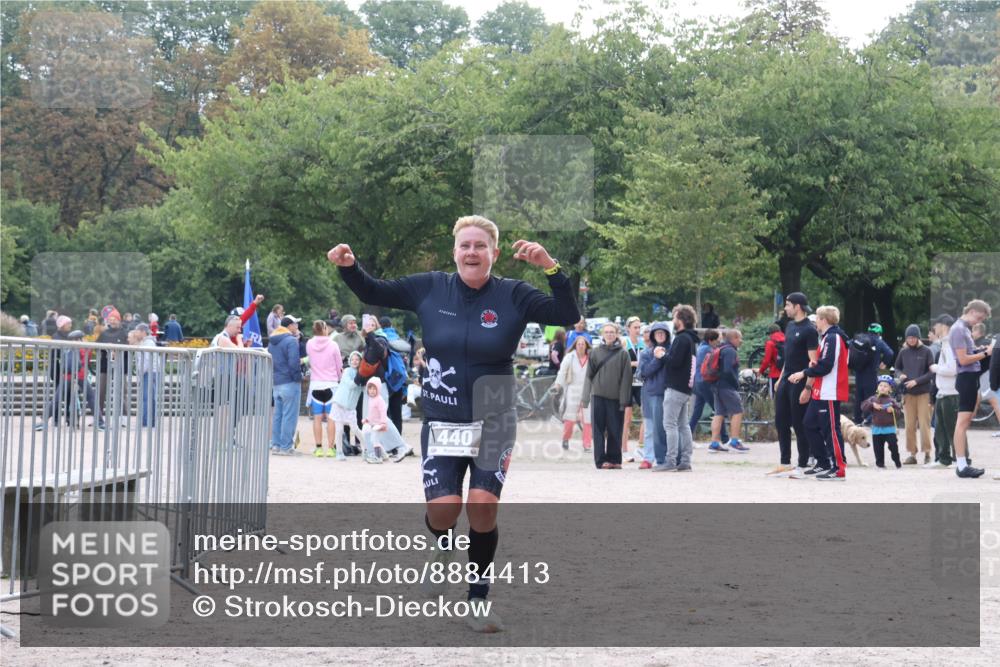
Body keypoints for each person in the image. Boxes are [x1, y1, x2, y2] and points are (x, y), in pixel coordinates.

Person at [329, 214, 579, 633]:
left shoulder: (515, 295)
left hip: (495, 411)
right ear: (455, 252)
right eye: (465, 245)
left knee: (483, 505)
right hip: (444, 414)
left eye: (481, 246)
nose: (472, 252)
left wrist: (550, 268)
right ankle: (443, 548)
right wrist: (348, 265)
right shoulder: (431, 287)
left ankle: (477, 599)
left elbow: (567, 314)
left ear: (494, 254)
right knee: (443, 510)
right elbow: (374, 290)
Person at [788, 305, 849, 481]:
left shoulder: (833, 337)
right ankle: (823, 462)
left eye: (817, 319)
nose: (815, 322)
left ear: (824, 320)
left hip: (830, 391)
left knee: (831, 430)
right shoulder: (826, 337)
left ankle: (839, 468)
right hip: (820, 391)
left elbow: (826, 365)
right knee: (808, 424)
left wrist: (803, 373)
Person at [769, 292, 819, 477]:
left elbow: (813, 362)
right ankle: (784, 462)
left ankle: (803, 463)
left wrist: (808, 387)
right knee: (781, 421)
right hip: (786, 379)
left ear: (797, 306)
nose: (785, 308)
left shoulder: (810, 330)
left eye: (788, 305)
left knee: (799, 423)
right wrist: (781, 379)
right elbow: (788, 357)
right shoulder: (789, 326)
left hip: (801, 381)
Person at [653, 305, 700, 472]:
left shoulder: (681, 339)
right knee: (683, 425)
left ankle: (670, 461)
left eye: (674, 317)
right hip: (686, 388)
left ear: (680, 320)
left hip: (675, 387)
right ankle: (685, 460)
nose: (673, 321)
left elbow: (674, 362)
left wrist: (661, 355)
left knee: (670, 425)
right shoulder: (691, 339)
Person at [580, 322, 633, 470]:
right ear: (603, 334)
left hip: (615, 398)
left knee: (615, 429)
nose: (609, 334)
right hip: (597, 396)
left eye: (612, 332)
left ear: (616, 334)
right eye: (607, 332)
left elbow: (626, 379)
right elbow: (588, 376)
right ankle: (601, 460)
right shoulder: (595, 352)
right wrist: (585, 398)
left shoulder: (623, 354)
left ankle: (615, 459)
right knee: (598, 430)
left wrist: (624, 400)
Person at [950, 300, 992, 479]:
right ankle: (961, 465)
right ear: (973, 311)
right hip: (966, 377)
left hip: (970, 377)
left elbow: (968, 353)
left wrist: (979, 349)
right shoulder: (959, 329)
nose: (979, 322)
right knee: (962, 422)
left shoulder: (964, 328)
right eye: (979, 317)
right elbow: (963, 360)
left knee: (965, 421)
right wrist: (985, 353)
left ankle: (962, 463)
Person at [895, 324, 935, 464]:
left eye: (913, 337)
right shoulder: (903, 352)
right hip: (908, 394)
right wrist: (900, 375)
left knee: (925, 424)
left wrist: (916, 382)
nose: (911, 340)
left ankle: (927, 453)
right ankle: (912, 453)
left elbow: (931, 372)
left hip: (924, 393)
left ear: (918, 337)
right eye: (908, 337)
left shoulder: (927, 351)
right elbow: (897, 368)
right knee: (909, 425)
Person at [708, 329, 750, 453]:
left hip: (716, 385)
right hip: (727, 386)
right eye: (740, 338)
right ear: (735, 338)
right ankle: (734, 441)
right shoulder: (730, 351)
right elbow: (727, 370)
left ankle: (714, 443)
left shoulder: (720, 348)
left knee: (719, 413)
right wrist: (735, 383)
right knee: (738, 411)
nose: (741, 341)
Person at [306, 320, 343, 457]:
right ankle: (331, 448)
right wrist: (338, 378)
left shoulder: (309, 344)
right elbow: (338, 365)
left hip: (316, 384)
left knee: (317, 418)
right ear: (325, 329)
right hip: (331, 384)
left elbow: (310, 360)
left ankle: (319, 447)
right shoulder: (333, 344)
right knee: (331, 418)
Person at [268, 315, 303, 455]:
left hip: (276, 382)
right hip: (289, 381)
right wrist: (298, 378)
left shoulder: (272, 341)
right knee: (290, 415)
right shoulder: (291, 341)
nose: (297, 327)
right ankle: (286, 446)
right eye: (295, 324)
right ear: (289, 326)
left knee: (278, 415)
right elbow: (294, 362)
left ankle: (276, 445)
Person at [638, 322, 671, 469]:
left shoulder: (672, 351)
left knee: (667, 427)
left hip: (669, 392)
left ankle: (666, 457)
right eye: (657, 333)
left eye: (663, 333)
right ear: (652, 335)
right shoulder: (646, 353)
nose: (660, 335)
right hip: (651, 393)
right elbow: (643, 373)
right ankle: (648, 457)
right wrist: (658, 359)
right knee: (650, 428)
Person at [552, 334, 593, 452]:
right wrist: (557, 385)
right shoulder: (570, 357)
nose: (580, 346)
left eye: (583, 344)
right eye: (579, 344)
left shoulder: (591, 358)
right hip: (572, 389)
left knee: (587, 418)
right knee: (570, 418)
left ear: (586, 346)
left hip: (587, 390)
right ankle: (565, 439)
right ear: (575, 345)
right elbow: (562, 372)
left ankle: (587, 444)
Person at [929, 315, 959, 468]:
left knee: (953, 428)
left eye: (936, 325)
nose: (935, 328)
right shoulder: (945, 343)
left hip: (951, 393)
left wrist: (936, 368)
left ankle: (962, 460)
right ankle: (944, 459)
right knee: (940, 428)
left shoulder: (950, 343)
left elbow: (953, 369)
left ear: (943, 325)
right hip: (943, 392)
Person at [34, 315, 73, 430]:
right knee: (58, 396)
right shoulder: (56, 337)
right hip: (59, 371)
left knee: (69, 395)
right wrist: (55, 372)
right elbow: (54, 357)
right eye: (68, 323)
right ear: (62, 325)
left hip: (68, 371)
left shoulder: (70, 337)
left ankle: (69, 418)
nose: (70, 325)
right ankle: (56, 420)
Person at [853, 323, 896, 425]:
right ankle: (868, 420)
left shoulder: (859, 339)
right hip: (871, 374)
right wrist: (884, 363)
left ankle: (857, 419)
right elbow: (890, 353)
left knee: (858, 396)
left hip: (859, 373)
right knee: (870, 397)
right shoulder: (878, 341)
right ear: (879, 332)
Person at [689, 329, 728, 444]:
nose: (718, 343)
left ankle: (688, 435)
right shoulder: (708, 350)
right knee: (718, 409)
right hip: (706, 383)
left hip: (697, 383)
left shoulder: (700, 347)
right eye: (717, 341)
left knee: (697, 411)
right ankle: (725, 438)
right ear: (711, 340)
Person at [95, 307, 129, 430]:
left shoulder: (124, 333)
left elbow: (129, 348)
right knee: (101, 391)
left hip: (121, 366)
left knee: (121, 391)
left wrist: (117, 350)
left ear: (119, 320)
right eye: (110, 319)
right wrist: (105, 348)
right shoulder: (104, 333)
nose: (112, 321)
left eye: (115, 319)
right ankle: (98, 417)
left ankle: (123, 417)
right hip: (105, 365)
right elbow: (96, 346)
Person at [861, 375, 902, 469]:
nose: (882, 388)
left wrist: (893, 411)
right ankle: (880, 464)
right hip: (876, 429)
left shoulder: (892, 401)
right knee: (878, 449)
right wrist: (872, 405)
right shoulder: (872, 399)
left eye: (885, 386)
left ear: (890, 389)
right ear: (877, 387)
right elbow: (863, 406)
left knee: (893, 447)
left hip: (890, 430)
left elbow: (899, 414)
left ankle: (897, 461)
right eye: (880, 385)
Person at [331, 351, 365, 459]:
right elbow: (351, 385)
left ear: (360, 361)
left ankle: (366, 449)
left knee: (355, 429)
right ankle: (339, 452)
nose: (354, 361)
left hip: (350, 407)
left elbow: (364, 389)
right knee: (339, 429)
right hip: (339, 403)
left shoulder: (362, 374)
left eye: (357, 359)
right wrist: (360, 378)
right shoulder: (346, 372)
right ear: (350, 361)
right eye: (353, 359)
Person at [621, 316, 646, 462]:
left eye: (639, 327)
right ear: (628, 328)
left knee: (646, 416)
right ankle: (623, 449)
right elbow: (621, 362)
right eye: (635, 327)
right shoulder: (624, 342)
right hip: (627, 383)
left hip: (640, 383)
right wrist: (635, 363)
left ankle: (641, 446)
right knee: (627, 418)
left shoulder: (643, 343)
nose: (638, 330)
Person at [134, 324, 160, 428]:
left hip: (148, 373)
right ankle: (150, 421)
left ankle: (146, 421)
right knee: (150, 397)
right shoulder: (149, 342)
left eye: (137, 331)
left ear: (143, 332)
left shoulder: (147, 344)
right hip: (151, 372)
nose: (136, 334)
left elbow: (146, 361)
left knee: (147, 397)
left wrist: (140, 372)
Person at [362, 377, 390, 463]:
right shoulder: (371, 399)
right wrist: (367, 419)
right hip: (373, 424)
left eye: (374, 388)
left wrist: (383, 423)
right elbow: (372, 413)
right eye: (370, 388)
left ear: (378, 389)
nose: (372, 390)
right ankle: (384, 455)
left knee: (375, 440)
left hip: (379, 425)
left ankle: (378, 458)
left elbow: (383, 411)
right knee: (374, 439)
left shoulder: (379, 399)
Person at [757, 323, 785, 396]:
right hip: (786, 373)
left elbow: (766, 360)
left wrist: (760, 371)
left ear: (770, 333)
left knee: (773, 398)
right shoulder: (787, 339)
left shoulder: (770, 343)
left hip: (774, 374)